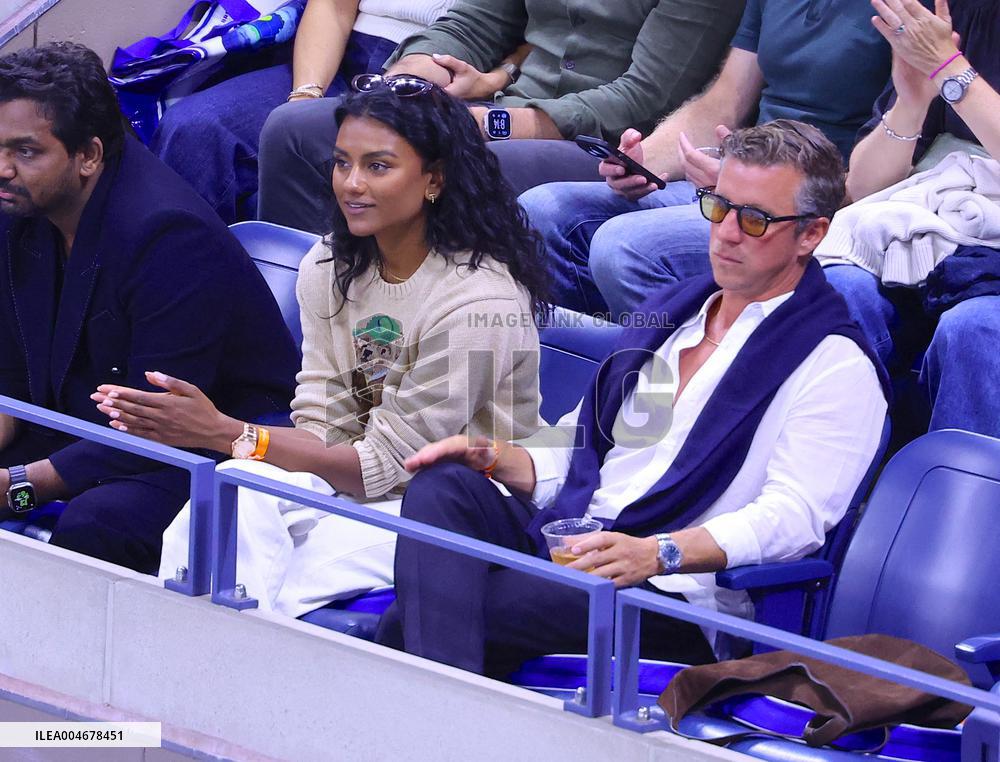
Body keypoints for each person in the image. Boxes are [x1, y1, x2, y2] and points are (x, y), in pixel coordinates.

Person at [376, 121, 890, 677]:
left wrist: (660, 551)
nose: (727, 234)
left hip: (672, 597)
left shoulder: (834, 361)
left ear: (812, 234)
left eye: (755, 219)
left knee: (410, 623)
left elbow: (795, 519)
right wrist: (500, 458)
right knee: (443, 487)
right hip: (585, 543)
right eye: (719, 207)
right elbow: (582, 448)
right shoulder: (676, 315)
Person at [93, 77, 546, 616]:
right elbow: (319, 419)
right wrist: (241, 446)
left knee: (284, 584)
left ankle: (217, 671)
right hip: (346, 472)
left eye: (378, 166)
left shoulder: (477, 301)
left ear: (433, 180)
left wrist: (227, 432)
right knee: (231, 490)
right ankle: (192, 660)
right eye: (341, 163)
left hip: (450, 502)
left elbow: (390, 466)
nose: (351, 184)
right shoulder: (330, 264)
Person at [0, 42, 299, 572]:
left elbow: (157, 422)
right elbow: (12, 372)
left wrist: (17, 489)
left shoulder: (168, 236)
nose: (2, 168)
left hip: (204, 446)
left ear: (88, 155)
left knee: (99, 523)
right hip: (81, 420)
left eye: (25, 151)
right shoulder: (21, 206)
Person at [520, 0, 894, 317]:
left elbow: (892, 155)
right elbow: (725, 101)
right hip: (735, 180)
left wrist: (749, 187)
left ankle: (674, 389)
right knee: (544, 210)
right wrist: (641, 161)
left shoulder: (907, 10)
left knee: (623, 248)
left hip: (819, 202)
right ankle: (607, 371)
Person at [257, 0, 745, 233]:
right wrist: (415, 74)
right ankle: (315, 324)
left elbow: (642, 97)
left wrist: (491, 122)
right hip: (499, 111)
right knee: (295, 130)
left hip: (608, 147)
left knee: (459, 164)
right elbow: (476, 22)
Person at [814, 0, 1000, 438]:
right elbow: (862, 188)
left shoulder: (945, 52)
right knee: (840, 290)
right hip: (937, 226)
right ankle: (827, 492)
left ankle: (959, 502)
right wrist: (912, 103)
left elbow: (951, 71)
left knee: (974, 329)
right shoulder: (960, 13)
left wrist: (951, 70)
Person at [149, 0, 479, 224]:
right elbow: (332, 8)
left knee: (369, 168)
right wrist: (305, 95)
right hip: (340, 54)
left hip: (441, 71)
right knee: (194, 130)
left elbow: (517, 32)